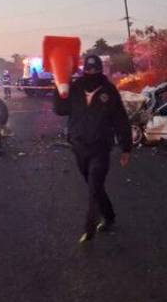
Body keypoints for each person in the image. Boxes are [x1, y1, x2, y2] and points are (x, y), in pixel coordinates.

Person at [53, 55, 132, 244]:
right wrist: (58, 87)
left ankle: (90, 226)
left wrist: (126, 148)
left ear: (100, 70)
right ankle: (109, 215)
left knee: (95, 182)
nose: (92, 73)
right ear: (84, 70)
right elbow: (61, 110)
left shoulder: (109, 91)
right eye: (88, 70)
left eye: (95, 70)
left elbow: (120, 120)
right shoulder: (76, 88)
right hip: (79, 145)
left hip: (101, 146)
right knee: (92, 184)